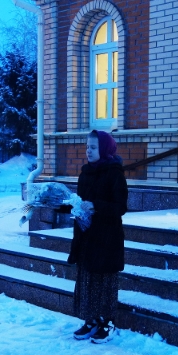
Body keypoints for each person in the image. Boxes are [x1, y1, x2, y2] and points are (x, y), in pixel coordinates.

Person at [67, 130, 128, 343]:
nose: (88, 151)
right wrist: (68, 206)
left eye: (93, 147)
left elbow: (120, 207)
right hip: (87, 237)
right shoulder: (85, 173)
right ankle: (91, 320)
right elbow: (79, 201)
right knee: (88, 279)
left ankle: (107, 322)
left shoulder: (115, 173)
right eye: (87, 147)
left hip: (107, 239)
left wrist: (96, 206)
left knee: (105, 281)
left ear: (104, 149)